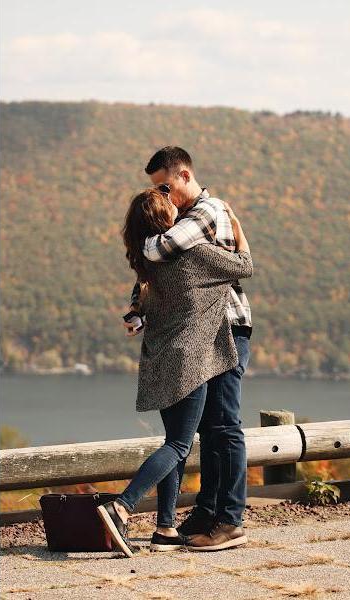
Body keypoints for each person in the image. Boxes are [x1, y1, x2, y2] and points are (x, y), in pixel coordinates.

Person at [97, 186, 253, 557]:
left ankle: (165, 528)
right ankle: (122, 507)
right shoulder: (196, 254)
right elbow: (245, 265)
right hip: (190, 359)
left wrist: (135, 314)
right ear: (166, 218)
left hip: (158, 359)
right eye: (170, 204)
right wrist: (236, 224)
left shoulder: (146, 264)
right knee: (179, 445)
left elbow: (141, 304)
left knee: (175, 441)